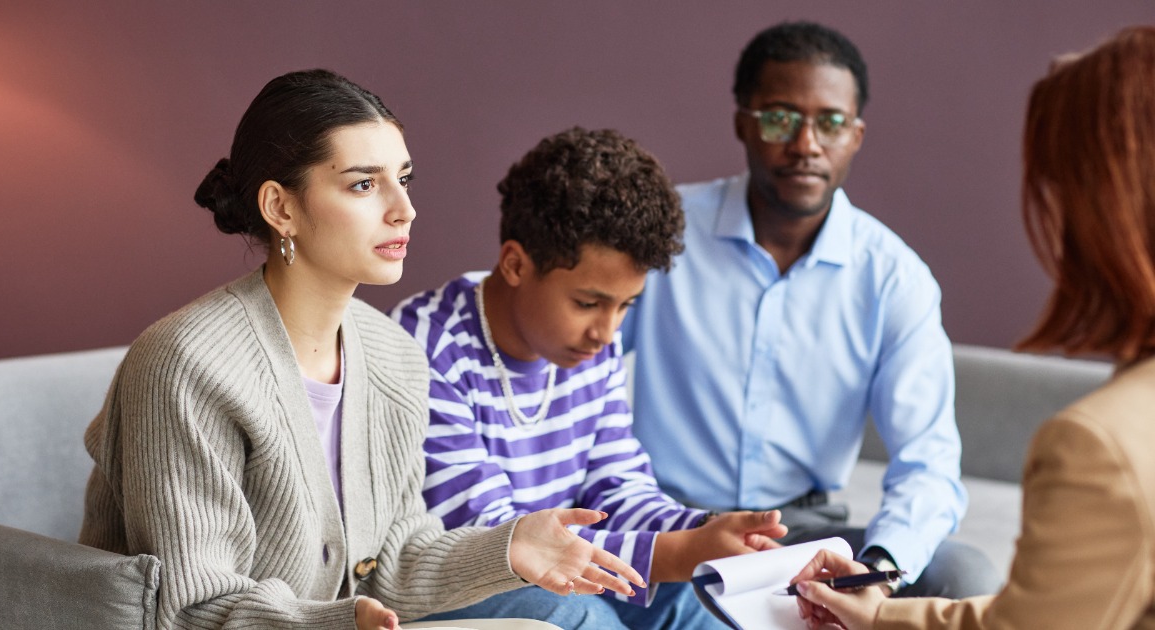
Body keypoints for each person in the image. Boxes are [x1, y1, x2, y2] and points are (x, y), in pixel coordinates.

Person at [78, 70, 644, 630]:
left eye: (405, 178)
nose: (404, 209)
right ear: (281, 208)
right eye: (364, 184)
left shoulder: (394, 355)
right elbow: (194, 609)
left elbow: (391, 562)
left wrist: (508, 549)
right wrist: (338, 622)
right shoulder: (187, 365)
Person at [790, 25, 1155, 629]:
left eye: (1056, 186)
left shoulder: (1100, 446)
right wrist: (879, 619)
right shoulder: (674, 241)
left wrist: (880, 577)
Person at [619, 21, 999, 597]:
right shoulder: (666, 234)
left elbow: (928, 465)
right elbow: (571, 347)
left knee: (963, 574)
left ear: (857, 136)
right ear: (742, 123)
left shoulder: (893, 277)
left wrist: (876, 575)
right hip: (670, 523)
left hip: (801, 535)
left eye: (830, 122)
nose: (805, 144)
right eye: (779, 118)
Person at [391, 127, 788, 629]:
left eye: (626, 306)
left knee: (701, 606)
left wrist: (704, 533)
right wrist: (674, 551)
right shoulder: (425, 346)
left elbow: (615, 482)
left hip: (565, 566)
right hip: (470, 577)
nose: (607, 331)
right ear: (515, 263)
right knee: (584, 619)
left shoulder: (588, 345)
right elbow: (488, 536)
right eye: (588, 303)